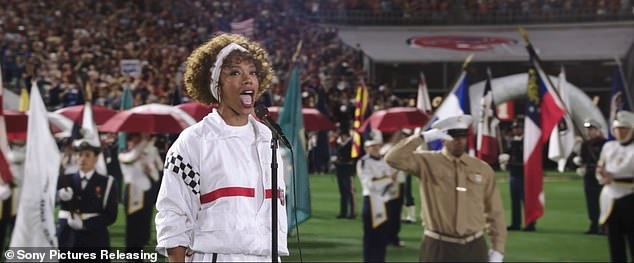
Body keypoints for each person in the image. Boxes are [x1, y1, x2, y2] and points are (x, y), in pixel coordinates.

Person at [155, 33, 288, 262]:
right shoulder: (193, 141)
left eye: (253, 73)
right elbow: (173, 216)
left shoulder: (269, 139)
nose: (248, 80)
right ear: (216, 85)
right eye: (235, 72)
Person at [385, 115, 507, 262]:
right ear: (442, 138)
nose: (460, 141)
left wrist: (498, 249)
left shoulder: (482, 168)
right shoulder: (427, 162)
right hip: (439, 245)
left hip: (475, 245)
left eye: (463, 137)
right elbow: (392, 158)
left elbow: (495, 211)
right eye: (454, 137)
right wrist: (422, 138)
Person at [56, 139, 118, 252]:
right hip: (67, 238)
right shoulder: (65, 179)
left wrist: (85, 224)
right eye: (79, 154)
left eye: (87, 155)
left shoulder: (107, 182)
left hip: (94, 239)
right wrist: (59, 196)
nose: (82, 159)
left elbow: (111, 215)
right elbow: (47, 202)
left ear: (96, 157)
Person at [596, 110, 634, 262]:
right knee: (614, 242)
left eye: (624, 128)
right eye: (617, 129)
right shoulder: (608, 146)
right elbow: (600, 168)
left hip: (630, 198)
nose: (620, 132)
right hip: (610, 200)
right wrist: (601, 175)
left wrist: (614, 177)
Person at [118, 133, 162, 254]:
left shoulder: (143, 155)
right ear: (128, 142)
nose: (136, 143)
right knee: (133, 225)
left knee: (143, 224)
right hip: (133, 193)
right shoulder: (124, 155)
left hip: (146, 192)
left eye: (138, 141)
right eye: (134, 141)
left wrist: (150, 168)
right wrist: (144, 141)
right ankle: (131, 253)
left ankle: (140, 251)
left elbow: (157, 172)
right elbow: (132, 157)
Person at [357, 130, 394, 262]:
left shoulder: (385, 161)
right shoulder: (363, 162)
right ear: (367, 148)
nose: (375, 148)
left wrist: (387, 180)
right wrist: (388, 179)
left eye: (377, 145)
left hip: (384, 202)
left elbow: (391, 184)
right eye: (372, 146)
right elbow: (370, 184)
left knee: (382, 238)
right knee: (370, 238)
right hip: (371, 203)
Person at [498, 119, 536, 231]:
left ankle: (530, 224)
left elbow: (526, 160)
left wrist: (511, 160)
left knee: (526, 200)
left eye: (518, 128)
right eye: (514, 128)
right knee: (514, 200)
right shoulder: (512, 142)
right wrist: (505, 163)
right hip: (513, 174)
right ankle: (516, 223)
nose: (515, 130)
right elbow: (510, 155)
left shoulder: (527, 142)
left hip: (524, 175)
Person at [572, 118, 607, 235]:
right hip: (589, 176)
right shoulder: (585, 144)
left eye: (591, 129)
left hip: (601, 177)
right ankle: (593, 224)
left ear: (598, 130)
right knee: (591, 201)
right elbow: (583, 159)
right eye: (588, 129)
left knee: (601, 201)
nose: (589, 132)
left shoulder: (605, 144)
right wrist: (580, 164)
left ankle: (603, 226)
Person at [335, 128, 356, 219]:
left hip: (348, 170)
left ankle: (352, 212)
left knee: (350, 191)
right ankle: (343, 212)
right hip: (340, 169)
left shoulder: (352, 145)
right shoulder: (341, 144)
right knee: (343, 192)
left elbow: (353, 159)